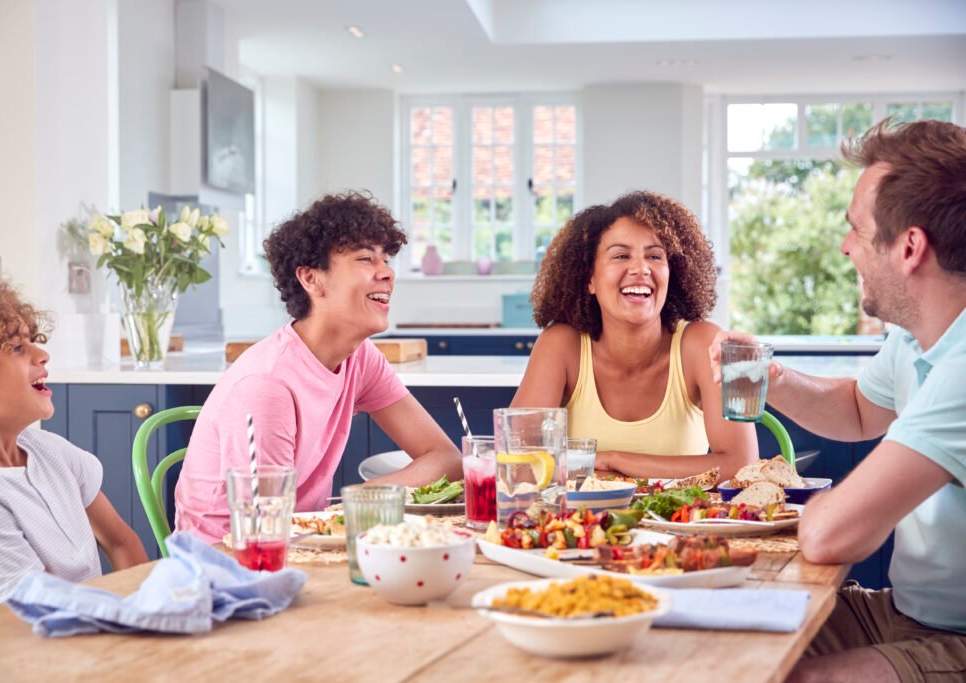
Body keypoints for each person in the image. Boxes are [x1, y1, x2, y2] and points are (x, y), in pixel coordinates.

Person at [707, 119, 966, 683]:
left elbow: (830, 535)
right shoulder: (917, 334)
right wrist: (769, 377)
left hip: (958, 640)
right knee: (712, 635)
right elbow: (857, 411)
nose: (846, 246)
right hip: (904, 613)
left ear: (910, 248)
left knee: (794, 678)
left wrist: (796, 505)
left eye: (856, 229)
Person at [175, 192, 462, 544]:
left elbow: (446, 458)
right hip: (228, 564)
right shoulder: (267, 386)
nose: (386, 272)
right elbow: (263, 531)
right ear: (311, 279)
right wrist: (349, 512)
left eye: (385, 259)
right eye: (365, 259)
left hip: (302, 541)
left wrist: (354, 504)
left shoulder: (361, 358)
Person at [512, 191, 757, 481]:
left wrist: (615, 460)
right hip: (582, 525)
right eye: (621, 255)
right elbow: (518, 461)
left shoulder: (703, 344)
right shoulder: (561, 345)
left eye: (654, 256)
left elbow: (741, 466)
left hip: (683, 525)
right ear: (589, 278)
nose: (641, 268)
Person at [0, 281, 147, 618]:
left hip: (90, 631)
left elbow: (120, 541)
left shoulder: (49, 450)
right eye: (16, 348)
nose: (42, 354)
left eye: (31, 342)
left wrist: (146, 609)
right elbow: (42, 617)